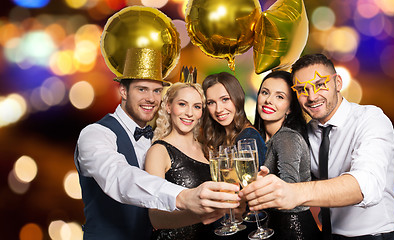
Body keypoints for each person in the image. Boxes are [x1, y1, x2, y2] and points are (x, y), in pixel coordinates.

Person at [74, 48, 240, 240]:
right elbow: (119, 177)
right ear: (123, 91)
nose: (151, 98)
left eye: (157, 91)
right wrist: (184, 197)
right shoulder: (95, 134)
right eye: (141, 89)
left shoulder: (158, 139)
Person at [241, 54, 394, 240]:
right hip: (325, 236)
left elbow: (365, 185)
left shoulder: (371, 119)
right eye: (302, 90)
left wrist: (294, 192)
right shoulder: (306, 133)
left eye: (320, 84)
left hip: (373, 236)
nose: (312, 96)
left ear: (338, 83)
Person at [145, 81, 225, 239]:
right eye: (182, 104)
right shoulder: (159, 151)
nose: (189, 113)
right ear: (168, 106)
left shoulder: (208, 151)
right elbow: (155, 218)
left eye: (196, 107)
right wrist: (201, 215)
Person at [253, 70, 321, 239]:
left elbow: (288, 189)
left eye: (280, 97)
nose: (269, 100)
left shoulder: (286, 137)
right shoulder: (262, 138)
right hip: (276, 226)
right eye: (265, 92)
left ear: (290, 108)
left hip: (293, 229)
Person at [199, 72, 266, 165]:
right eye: (211, 102)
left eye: (225, 99)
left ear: (238, 98)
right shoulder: (219, 137)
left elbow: (251, 178)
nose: (218, 109)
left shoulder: (248, 137)